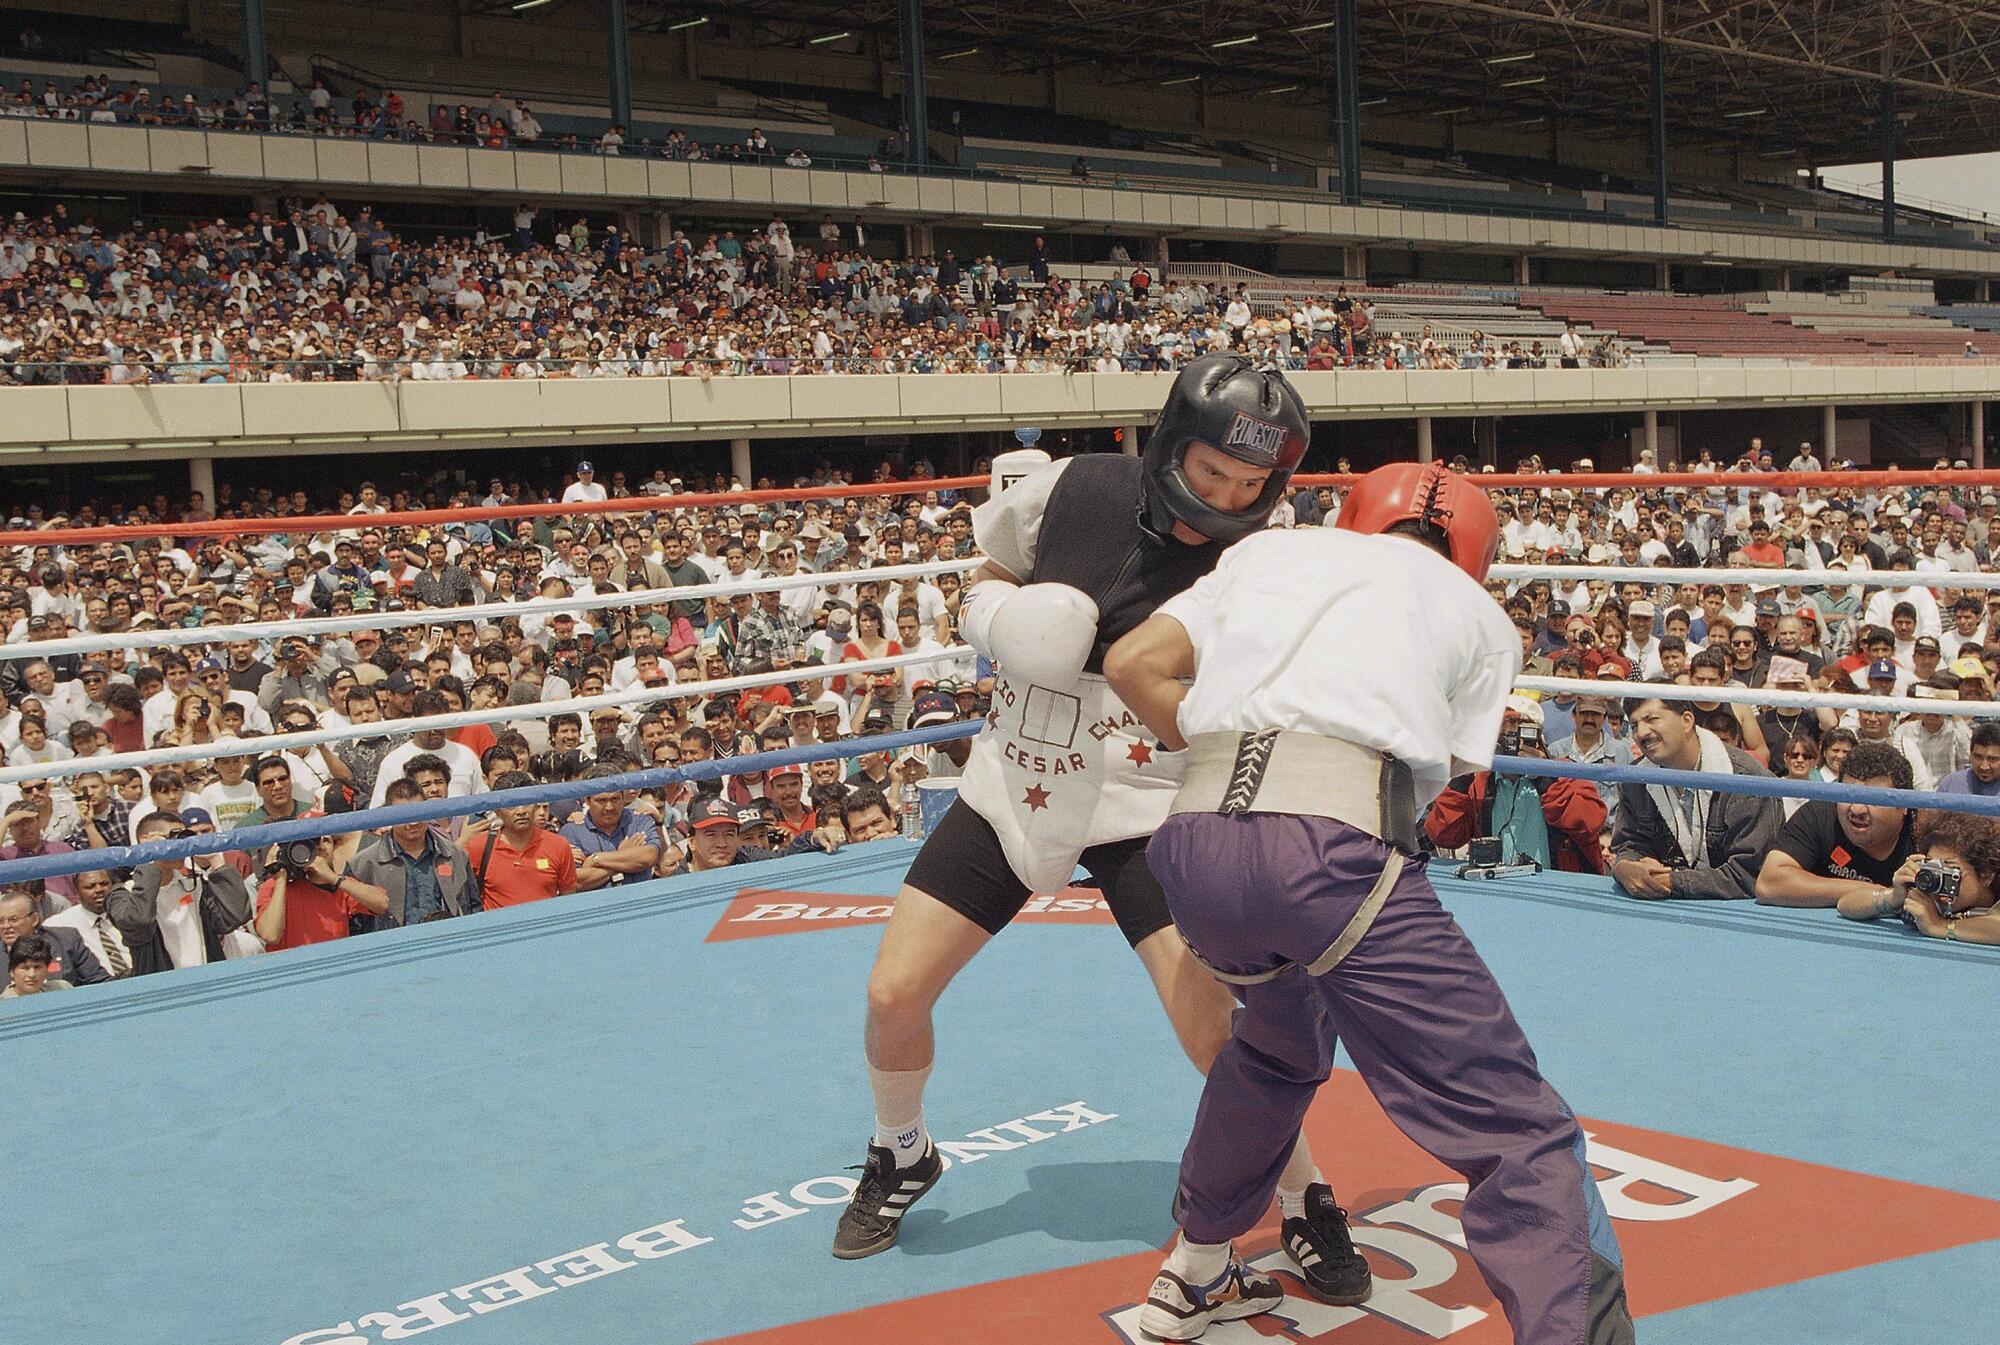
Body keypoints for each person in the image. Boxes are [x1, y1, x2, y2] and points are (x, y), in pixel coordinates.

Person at [832, 354, 1367, 1307]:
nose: (1229, 497)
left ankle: (1303, 1192)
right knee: (891, 993)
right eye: (1214, 473)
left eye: (1252, 483)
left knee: (1214, 1033)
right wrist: (1003, 618)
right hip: (1018, 773)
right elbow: (986, 574)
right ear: (1171, 445)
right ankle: (900, 1150)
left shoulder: (1267, 554)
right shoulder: (1071, 486)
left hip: (1150, 796)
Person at [1101, 462, 1630, 1344]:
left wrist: (1237, 755)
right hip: (1329, 856)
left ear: (1355, 517)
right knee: (1519, 1132)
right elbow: (1441, 795)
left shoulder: (1268, 553)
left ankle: (1194, 1268)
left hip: (1192, 845)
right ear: (1474, 554)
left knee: (1273, 1052)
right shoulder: (1480, 618)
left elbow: (1130, 662)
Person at [1608, 685, 1783, 901]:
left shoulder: (1749, 781)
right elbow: (1630, 845)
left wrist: (1672, 881)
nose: (1641, 733)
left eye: (1652, 719)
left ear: (1687, 721)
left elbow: (1749, 876)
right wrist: (1625, 867)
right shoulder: (1634, 780)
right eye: (1634, 725)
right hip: (1661, 910)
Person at [1423, 696, 1607, 873]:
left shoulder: (1564, 772)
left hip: (1554, 883)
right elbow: (1442, 834)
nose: (1510, 740)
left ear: (1537, 736)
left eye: (1519, 729)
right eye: (1501, 729)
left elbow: (1589, 823)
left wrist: (1544, 778)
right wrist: (1464, 771)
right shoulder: (1479, 781)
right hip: (1495, 882)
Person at [1753, 741, 1916, 908]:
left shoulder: (1923, 832)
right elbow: (1769, 883)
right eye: (1849, 795)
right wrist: (1880, 894)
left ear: (1904, 805)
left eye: (1873, 799)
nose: (1857, 809)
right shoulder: (1818, 814)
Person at [1838, 808, 2000, 943]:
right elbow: (1845, 905)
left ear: (1986, 875)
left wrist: (1938, 926)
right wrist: (1893, 898)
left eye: (1950, 872)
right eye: (1933, 867)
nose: (1937, 879)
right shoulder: (1928, 895)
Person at [342, 778, 481, 926]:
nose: (413, 823)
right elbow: (353, 924)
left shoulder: (456, 856)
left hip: (451, 941)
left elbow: (474, 908)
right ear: (389, 816)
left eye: (418, 813)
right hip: (393, 947)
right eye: (405, 816)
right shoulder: (362, 865)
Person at [1936, 720, 2000, 797]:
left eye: (1992, 759)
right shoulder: (1951, 784)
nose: (1984, 766)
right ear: (1970, 755)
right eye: (1978, 757)